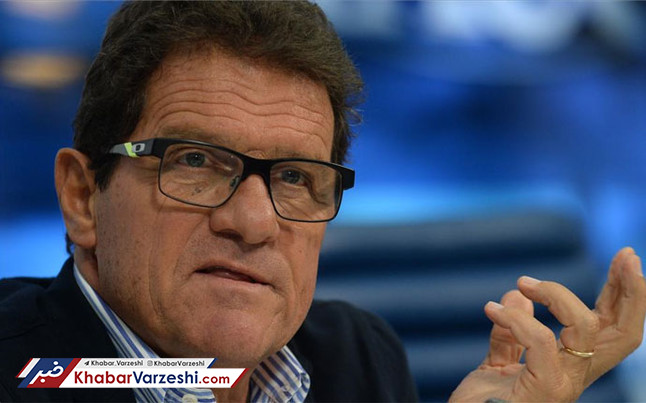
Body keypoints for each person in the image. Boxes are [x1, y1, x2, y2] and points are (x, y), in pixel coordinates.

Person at [0, 1, 644, 402]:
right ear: (82, 196)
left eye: (294, 177)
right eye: (194, 162)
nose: (254, 222)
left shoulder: (358, 358)